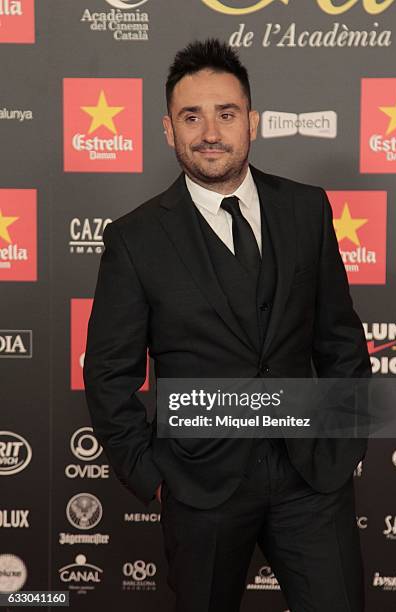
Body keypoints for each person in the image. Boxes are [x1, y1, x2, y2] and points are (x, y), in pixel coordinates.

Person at [84, 38, 371, 612]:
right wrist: (156, 477)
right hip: (200, 488)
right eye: (192, 116)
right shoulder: (134, 239)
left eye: (226, 113)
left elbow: (340, 339)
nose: (210, 132)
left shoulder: (307, 209)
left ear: (252, 123)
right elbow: (108, 375)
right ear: (169, 129)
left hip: (311, 476)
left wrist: (346, 438)